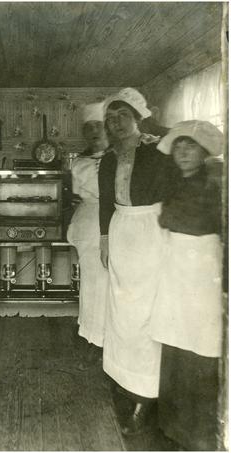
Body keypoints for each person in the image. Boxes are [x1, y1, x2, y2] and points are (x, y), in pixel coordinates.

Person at [98, 88, 175, 435]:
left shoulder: (158, 151)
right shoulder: (108, 159)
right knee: (121, 313)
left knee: (146, 314)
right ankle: (123, 380)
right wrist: (104, 240)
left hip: (151, 232)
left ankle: (146, 395)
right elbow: (104, 203)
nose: (115, 125)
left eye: (122, 117)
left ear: (138, 118)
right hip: (121, 230)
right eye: (110, 120)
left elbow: (173, 192)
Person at [149, 120, 223, 450]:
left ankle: (201, 434)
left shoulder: (218, 186)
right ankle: (172, 427)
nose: (182, 152)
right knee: (174, 344)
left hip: (204, 273)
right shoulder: (172, 183)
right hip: (174, 270)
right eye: (178, 146)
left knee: (202, 347)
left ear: (204, 151)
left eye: (190, 146)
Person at [67, 102, 109, 355]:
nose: (94, 131)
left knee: (112, 281)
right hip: (90, 223)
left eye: (98, 125)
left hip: (117, 220)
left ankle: (110, 335)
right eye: (88, 127)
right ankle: (92, 334)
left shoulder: (120, 156)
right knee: (92, 280)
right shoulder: (79, 163)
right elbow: (82, 193)